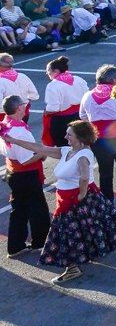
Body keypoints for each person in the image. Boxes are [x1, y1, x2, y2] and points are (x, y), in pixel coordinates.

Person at [3, 117, 116, 283]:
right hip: (67, 198)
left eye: (69, 135)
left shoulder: (83, 154)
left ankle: (73, 268)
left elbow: (85, 176)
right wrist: (13, 140)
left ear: (80, 138)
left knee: (68, 232)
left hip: (79, 199)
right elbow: (40, 148)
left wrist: (81, 194)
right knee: (98, 225)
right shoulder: (66, 151)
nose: (66, 137)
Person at [78, 65, 116, 209]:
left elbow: (83, 116)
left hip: (99, 140)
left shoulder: (88, 95)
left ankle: (107, 202)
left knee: (104, 171)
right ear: (114, 79)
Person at [2, 94, 50, 258]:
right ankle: (41, 242)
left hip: (13, 172)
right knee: (39, 209)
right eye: (23, 104)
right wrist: (43, 153)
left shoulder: (5, 125)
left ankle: (15, 246)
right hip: (26, 175)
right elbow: (27, 160)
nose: (26, 106)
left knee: (19, 209)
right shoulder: (19, 132)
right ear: (18, 108)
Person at [41, 55, 88, 148]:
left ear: (56, 71)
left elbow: (54, 108)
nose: (47, 73)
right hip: (80, 116)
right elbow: (87, 96)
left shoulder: (53, 85)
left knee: (64, 148)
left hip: (62, 121)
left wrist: (47, 111)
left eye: (48, 71)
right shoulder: (79, 79)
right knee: (81, 144)